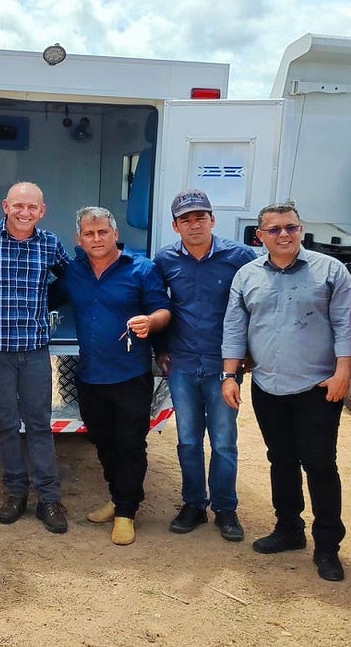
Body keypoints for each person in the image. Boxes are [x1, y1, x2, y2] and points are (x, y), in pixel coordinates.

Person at [221, 203, 351, 581]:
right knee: (280, 459)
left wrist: (344, 372)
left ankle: (328, 546)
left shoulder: (331, 271)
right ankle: (288, 529)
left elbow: (347, 326)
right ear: (259, 236)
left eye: (291, 227)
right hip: (267, 385)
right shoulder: (246, 276)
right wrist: (229, 376)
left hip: (317, 386)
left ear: (301, 230)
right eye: (275, 229)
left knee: (319, 463)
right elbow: (235, 327)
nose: (284, 234)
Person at [0, 181, 72, 534]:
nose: (25, 212)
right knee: (6, 423)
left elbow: (69, 282)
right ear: (5, 206)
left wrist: (47, 306)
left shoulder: (51, 245)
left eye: (33, 207)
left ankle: (49, 499)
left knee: (40, 424)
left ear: (43, 211)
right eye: (19, 205)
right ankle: (14, 493)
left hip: (34, 348)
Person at [60, 206, 170, 545]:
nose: (96, 238)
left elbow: (164, 310)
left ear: (115, 234)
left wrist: (151, 323)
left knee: (130, 444)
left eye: (103, 232)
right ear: (79, 239)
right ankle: (116, 497)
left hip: (130, 375)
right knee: (104, 443)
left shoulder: (141, 268)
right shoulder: (73, 272)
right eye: (89, 234)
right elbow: (43, 297)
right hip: (90, 376)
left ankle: (126, 512)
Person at [154, 189, 257, 542]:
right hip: (182, 363)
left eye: (201, 217)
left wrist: (250, 353)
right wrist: (159, 348)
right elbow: (156, 303)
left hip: (223, 366)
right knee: (187, 440)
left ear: (213, 220)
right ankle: (194, 504)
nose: (194, 224)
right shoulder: (165, 259)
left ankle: (226, 509)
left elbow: (253, 307)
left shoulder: (240, 256)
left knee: (225, 440)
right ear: (175, 226)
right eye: (186, 219)